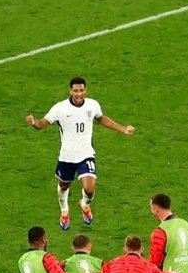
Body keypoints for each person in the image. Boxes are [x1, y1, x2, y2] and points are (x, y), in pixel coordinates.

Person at [26, 77, 135, 231]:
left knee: (90, 188)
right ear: (70, 91)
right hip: (67, 156)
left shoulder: (92, 105)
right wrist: (34, 123)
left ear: (85, 90)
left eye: (81, 90)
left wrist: (123, 128)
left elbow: (101, 119)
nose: (79, 94)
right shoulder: (60, 108)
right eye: (76, 91)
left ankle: (84, 204)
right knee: (64, 186)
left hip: (86, 154)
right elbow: (43, 123)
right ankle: (64, 211)